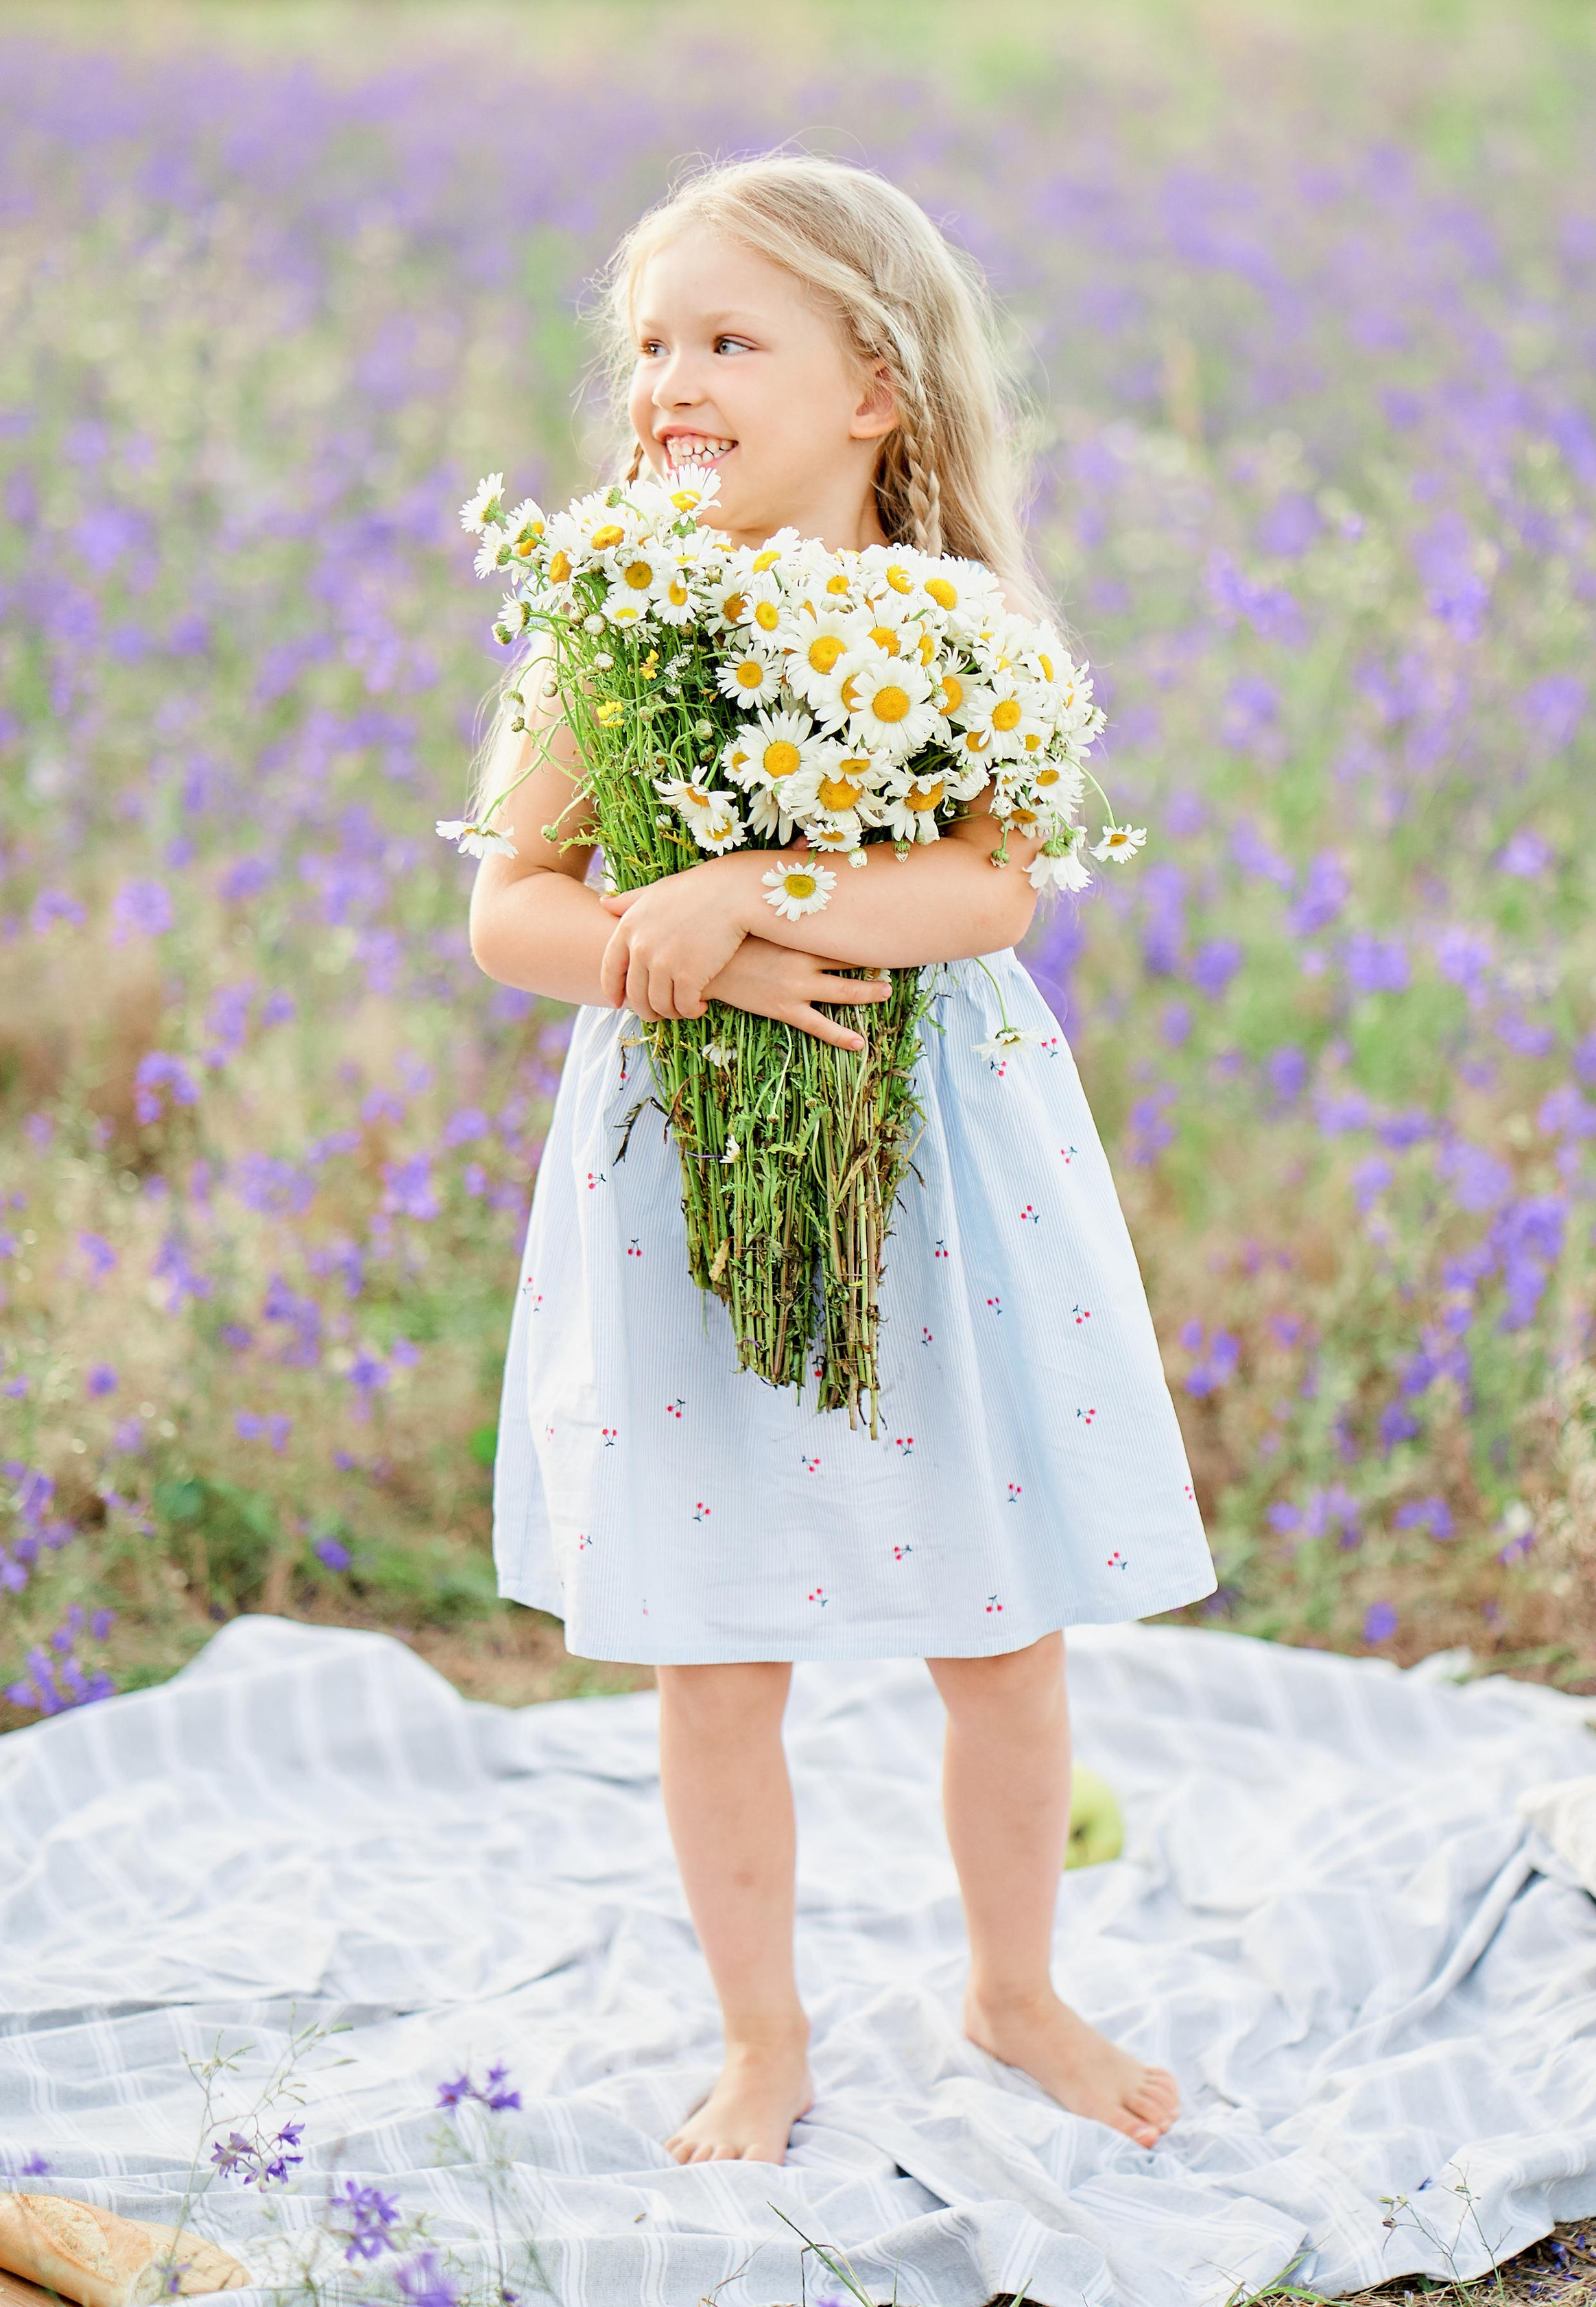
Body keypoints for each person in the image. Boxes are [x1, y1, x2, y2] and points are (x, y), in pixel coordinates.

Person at [462, 153, 1217, 2167]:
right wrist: (659, 952)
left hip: (944, 1161)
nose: (668, 379)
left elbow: (987, 896)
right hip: (682, 1159)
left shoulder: (956, 620)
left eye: (729, 337)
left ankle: (1013, 1987)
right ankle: (764, 2034)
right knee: (715, 1643)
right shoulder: (609, 615)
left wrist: (746, 878)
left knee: (999, 1621)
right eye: (648, 345)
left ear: (876, 387)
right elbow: (510, 909)